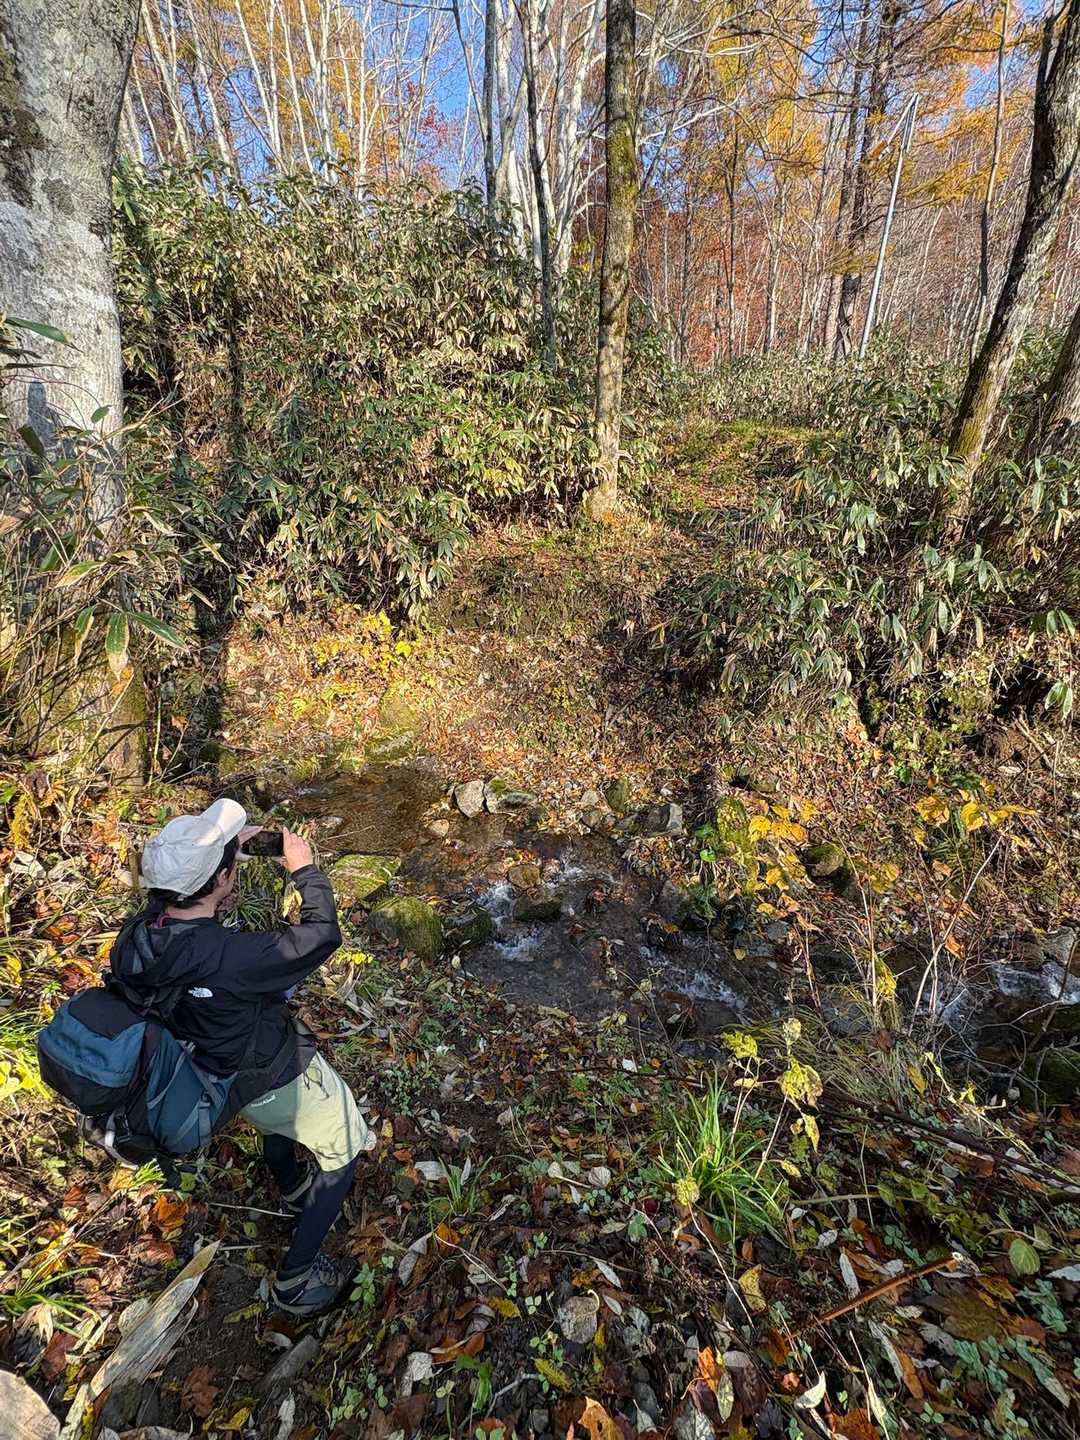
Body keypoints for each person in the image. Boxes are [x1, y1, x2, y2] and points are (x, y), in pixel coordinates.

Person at [111, 797, 373, 1316]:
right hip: (276, 1072)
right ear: (221, 880)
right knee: (344, 1151)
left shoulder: (138, 938)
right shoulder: (234, 959)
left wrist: (227, 852)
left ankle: (293, 1186)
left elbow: (180, 895)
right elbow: (322, 934)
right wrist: (305, 871)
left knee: (274, 1124)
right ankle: (297, 1280)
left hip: (218, 1074)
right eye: (225, 865)